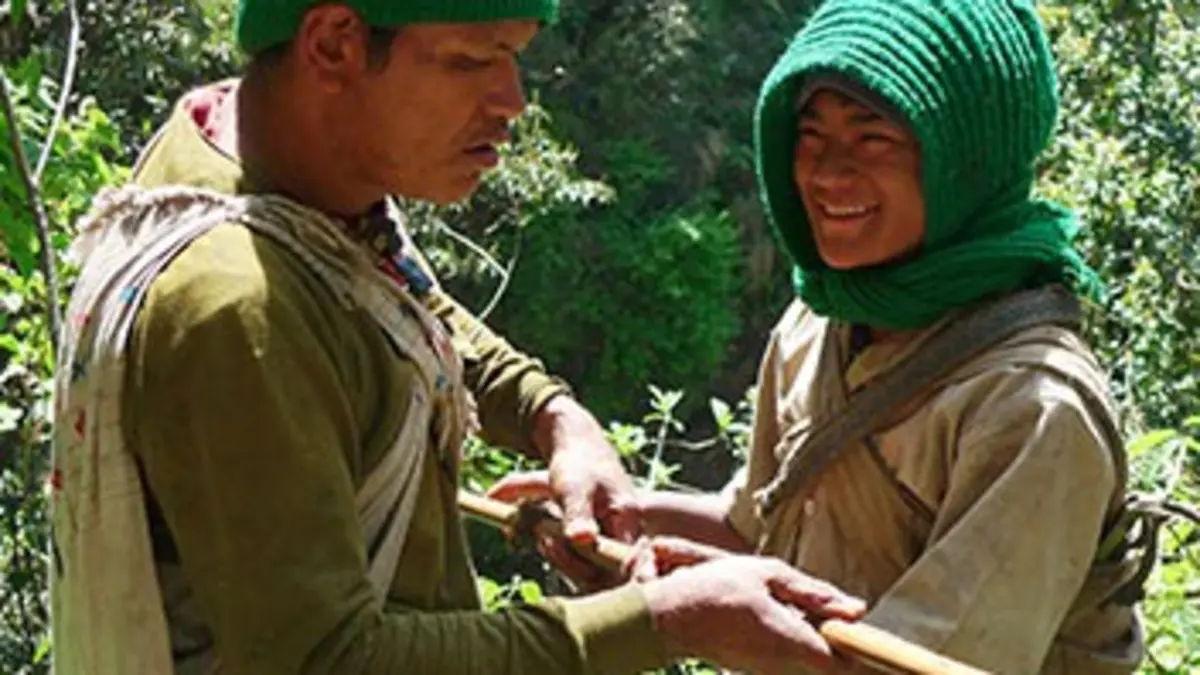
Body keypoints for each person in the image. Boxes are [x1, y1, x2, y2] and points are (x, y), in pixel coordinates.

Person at [48, 1, 871, 674]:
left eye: (515, 57)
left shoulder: (249, 151)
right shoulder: (236, 310)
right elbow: (328, 660)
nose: (513, 102)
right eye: (472, 61)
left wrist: (555, 416)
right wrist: (665, 619)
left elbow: (394, 298)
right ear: (334, 42)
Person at [494, 1, 1147, 673]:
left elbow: (908, 665)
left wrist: (682, 615)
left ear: (967, 159)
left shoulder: (1034, 410)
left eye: (873, 138)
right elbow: (756, 525)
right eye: (810, 134)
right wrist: (621, 517)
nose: (827, 173)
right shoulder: (820, 322)